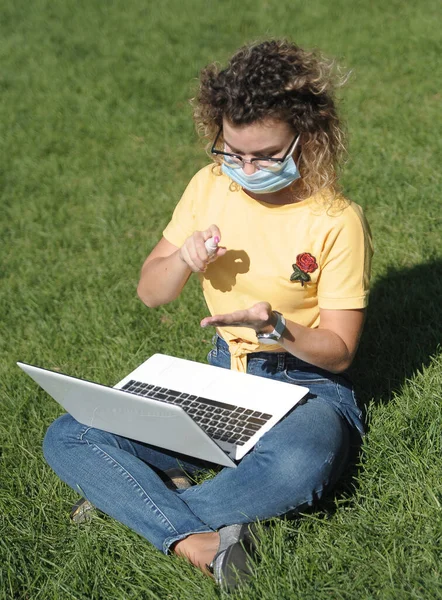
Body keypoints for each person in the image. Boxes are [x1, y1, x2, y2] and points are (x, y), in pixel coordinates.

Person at [43, 39, 373, 591]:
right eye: (232, 151)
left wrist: (278, 328)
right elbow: (152, 292)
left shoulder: (337, 220)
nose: (246, 168)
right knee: (68, 433)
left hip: (304, 386)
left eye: (266, 155)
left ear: (306, 138)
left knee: (305, 458)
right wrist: (182, 258)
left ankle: (141, 506)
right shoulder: (209, 185)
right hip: (221, 378)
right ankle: (199, 536)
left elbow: (339, 352)